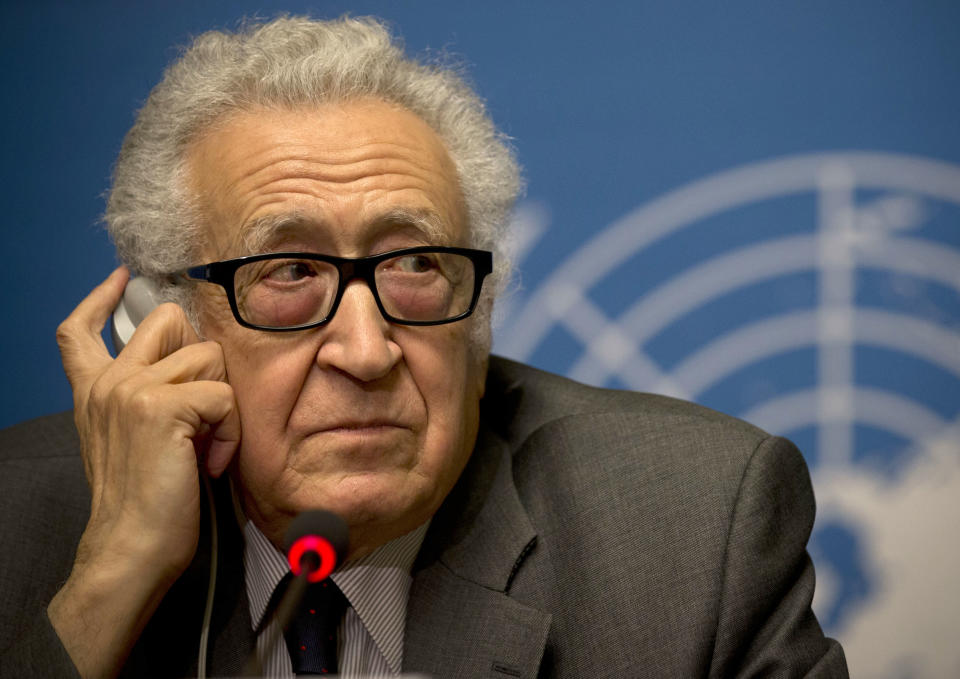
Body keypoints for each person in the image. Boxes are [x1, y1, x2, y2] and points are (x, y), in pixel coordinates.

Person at [0, 15, 847, 679]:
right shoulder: (18, 522)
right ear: (168, 325)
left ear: (479, 311)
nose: (367, 352)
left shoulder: (696, 531)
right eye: (290, 270)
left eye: (414, 264)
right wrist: (109, 580)